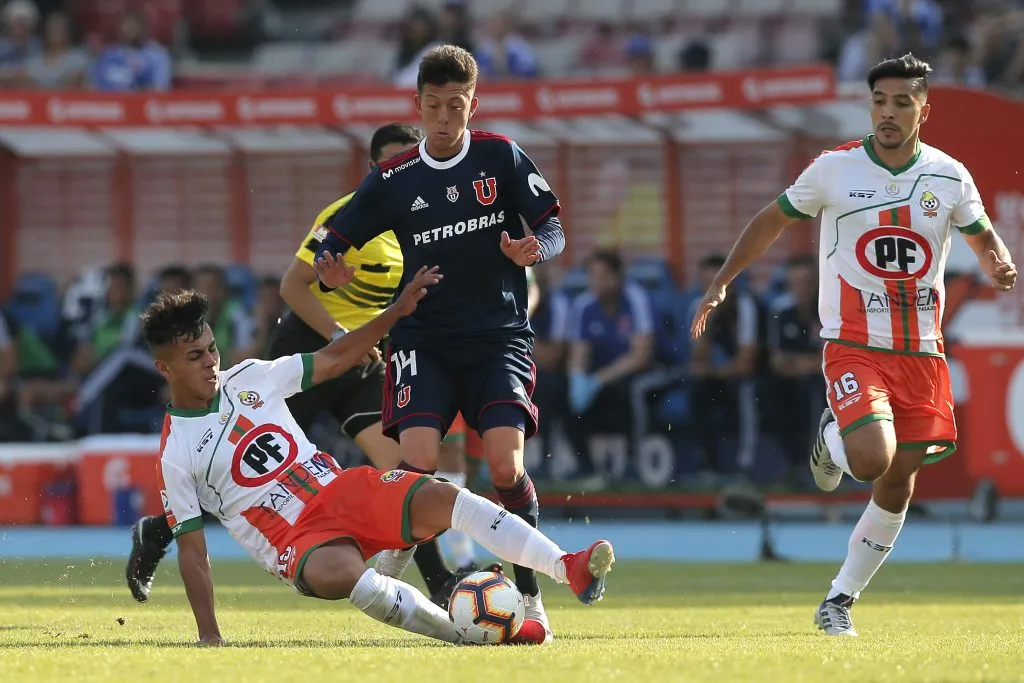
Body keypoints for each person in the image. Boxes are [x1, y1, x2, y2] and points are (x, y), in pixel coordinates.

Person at [690, 54, 1017, 637]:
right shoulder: (834, 169)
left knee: (897, 484)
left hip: (922, 352)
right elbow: (773, 219)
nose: (888, 113)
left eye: (901, 102)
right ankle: (831, 436)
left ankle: (838, 600)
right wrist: (722, 282)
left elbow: (982, 233)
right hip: (854, 343)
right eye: (879, 102)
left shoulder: (948, 174)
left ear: (923, 108)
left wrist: (998, 261)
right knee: (870, 460)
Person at [126, 124, 490, 609]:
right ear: (375, 170)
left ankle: (442, 581)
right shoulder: (348, 216)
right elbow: (293, 288)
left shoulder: (439, 223)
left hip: (365, 363)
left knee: (402, 466)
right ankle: (160, 528)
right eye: (393, 163)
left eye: (414, 160)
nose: (406, 171)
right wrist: (341, 335)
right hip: (313, 355)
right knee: (255, 471)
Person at [145, 283, 613, 646]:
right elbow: (192, 552)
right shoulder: (176, 453)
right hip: (295, 538)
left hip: (343, 490)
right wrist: (209, 636)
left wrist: (394, 313)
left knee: (446, 497)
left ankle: (566, 565)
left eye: (211, 349)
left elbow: (331, 359)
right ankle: (462, 634)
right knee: (342, 574)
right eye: (195, 356)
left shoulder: (248, 377)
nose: (211, 362)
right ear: (165, 368)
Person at [315, 44, 566, 643]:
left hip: (498, 335)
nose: (446, 117)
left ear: (472, 104)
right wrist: (330, 265)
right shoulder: (395, 177)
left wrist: (536, 250)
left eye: (457, 105)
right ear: (419, 107)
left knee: (505, 465)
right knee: (421, 461)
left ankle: (529, 601)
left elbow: (553, 226)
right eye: (434, 106)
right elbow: (334, 235)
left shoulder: (500, 156)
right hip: (424, 339)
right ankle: (394, 562)